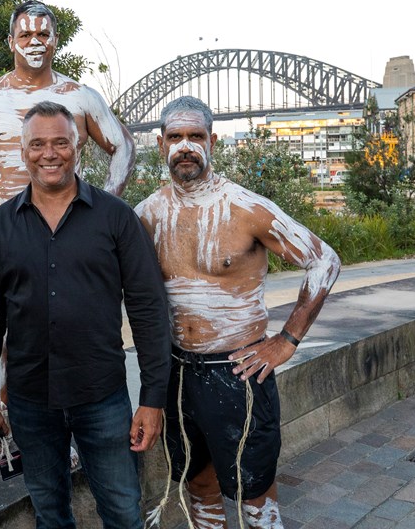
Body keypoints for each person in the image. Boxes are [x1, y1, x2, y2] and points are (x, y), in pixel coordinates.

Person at [135, 96, 341, 528]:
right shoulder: (148, 214)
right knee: (199, 483)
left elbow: (324, 261)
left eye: (195, 136)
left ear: (213, 141)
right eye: (175, 137)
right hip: (177, 372)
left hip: (237, 371)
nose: (185, 146)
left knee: (253, 490)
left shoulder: (246, 207)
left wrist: (286, 341)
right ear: (160, 145)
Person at [0, 101, 172, 528]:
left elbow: (149, 310)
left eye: (60, 142)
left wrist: (152, 399)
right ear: (23, 151)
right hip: (29, 404)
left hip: (102, 398)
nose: (50, 154)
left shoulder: (116, 219)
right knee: (50, 515)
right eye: (38, 144)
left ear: (77, 146)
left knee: (123, 512)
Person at [0, 0, 136, 209]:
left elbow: (123, 146)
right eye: (25, 36)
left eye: (43, 35)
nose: (35, 42)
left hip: (68, 219)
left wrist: (104, 206)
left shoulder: (81, 97)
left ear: (55, 41)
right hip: (3, 221)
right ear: (11, 42)